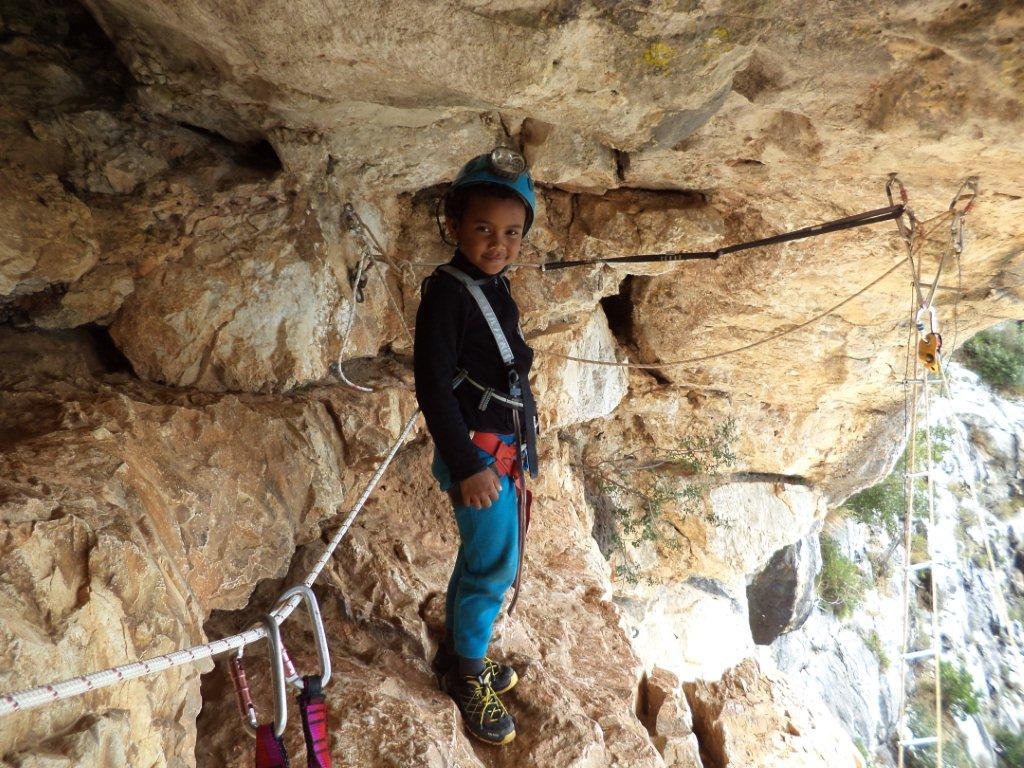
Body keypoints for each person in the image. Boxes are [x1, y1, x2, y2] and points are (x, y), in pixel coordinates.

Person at [413, 148, 540, 746]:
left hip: (501, 448)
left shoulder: (494, 287)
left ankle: (458, 656)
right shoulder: (448, 294)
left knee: (481, 560)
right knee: (495, 565)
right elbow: (432, 384)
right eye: (483, 229)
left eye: (512, 232)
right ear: (455, 227)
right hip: (478, 455)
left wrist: (525, 453)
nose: (498, 242)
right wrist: (468, 464)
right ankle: (468, 677)